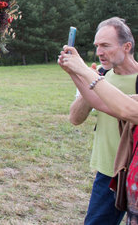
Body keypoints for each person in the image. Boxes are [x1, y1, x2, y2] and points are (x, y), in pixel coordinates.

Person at [64, 17, 138, 224]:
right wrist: (83, 79)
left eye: (105, 45)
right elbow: (75, 118)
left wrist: (89, 77)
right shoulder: (99, 76)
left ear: (127, 46)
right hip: (107, 173)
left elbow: (125, 110)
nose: (99, 52)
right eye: (97, 46)